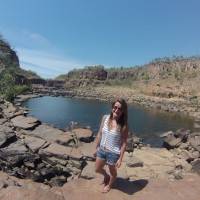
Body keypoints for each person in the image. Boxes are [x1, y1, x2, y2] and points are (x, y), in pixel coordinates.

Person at [93, 99, 128, 193]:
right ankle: (106, 176)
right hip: (101, 150)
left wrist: (120, 158)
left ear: (123, 111)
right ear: (112, 108)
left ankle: (109, 185)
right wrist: (95, 148)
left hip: (113, 153)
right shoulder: (105, 118)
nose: (116, 110)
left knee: (113, 173)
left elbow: (124, 143)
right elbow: (99, 134)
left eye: (119, 109)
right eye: (115, 107)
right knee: (97, 169)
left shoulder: (123, 125)